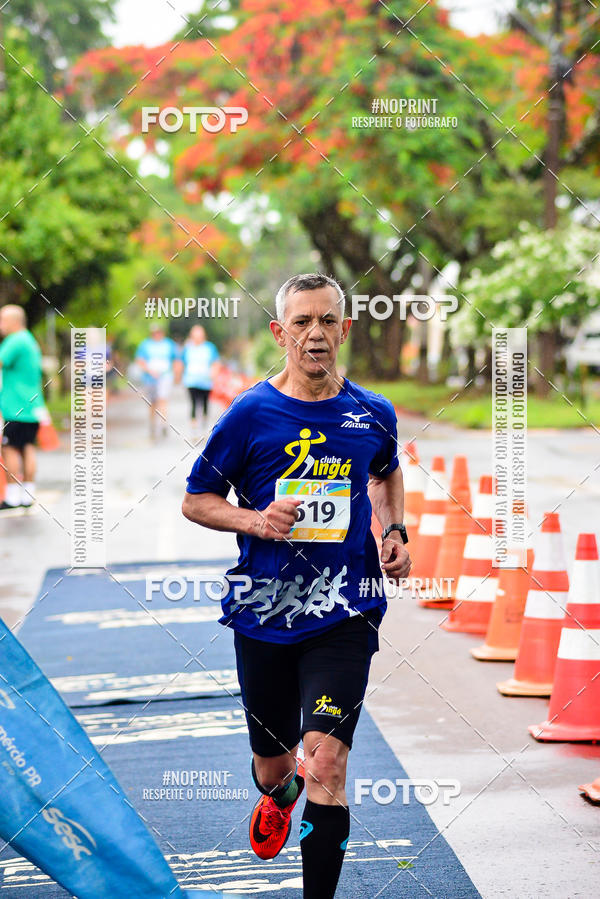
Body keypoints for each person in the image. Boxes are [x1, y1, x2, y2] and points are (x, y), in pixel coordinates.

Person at [182, 273, 411, 898]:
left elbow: (386, 474)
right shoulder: (250, 414)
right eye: (302, 323)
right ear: (281, 333)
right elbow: (196, 501)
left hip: (347, 611)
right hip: (265, 615)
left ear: (345, 330)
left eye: (327, 321)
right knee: (275, 766)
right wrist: (257, 519)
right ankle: (278, 795)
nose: (316, 334)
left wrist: (396, 533)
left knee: (327, 762)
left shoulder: (374, 413)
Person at [0, 305, 45, 511]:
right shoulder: (29, 340)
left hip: (15, 406)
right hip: (32, 405)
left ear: (14, 321)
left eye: (3, 320)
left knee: (9, 448)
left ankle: (12, 497)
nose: (1, 325)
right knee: (28, 447)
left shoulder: (15, 340)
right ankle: (28, 494)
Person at [135, 327, 181, 439]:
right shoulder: (145, 345)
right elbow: (140, 360)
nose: (157, 334)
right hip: (149, 378)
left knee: (163, 400)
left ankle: (163, 423)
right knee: (152, 403)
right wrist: (150, 371)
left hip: (165, 376)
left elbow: (176, 360)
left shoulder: (169, 344)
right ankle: (153, 424)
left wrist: (177, 374)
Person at [182, 325, 219, 436]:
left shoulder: (210, 347)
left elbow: (215, 362)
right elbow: (182, 362)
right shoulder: (188, 348)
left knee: (204, 404)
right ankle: (194, 428)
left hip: (206, 381)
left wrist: (214, 374)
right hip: (191, 381)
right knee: (193, 404)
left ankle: (204, 424)